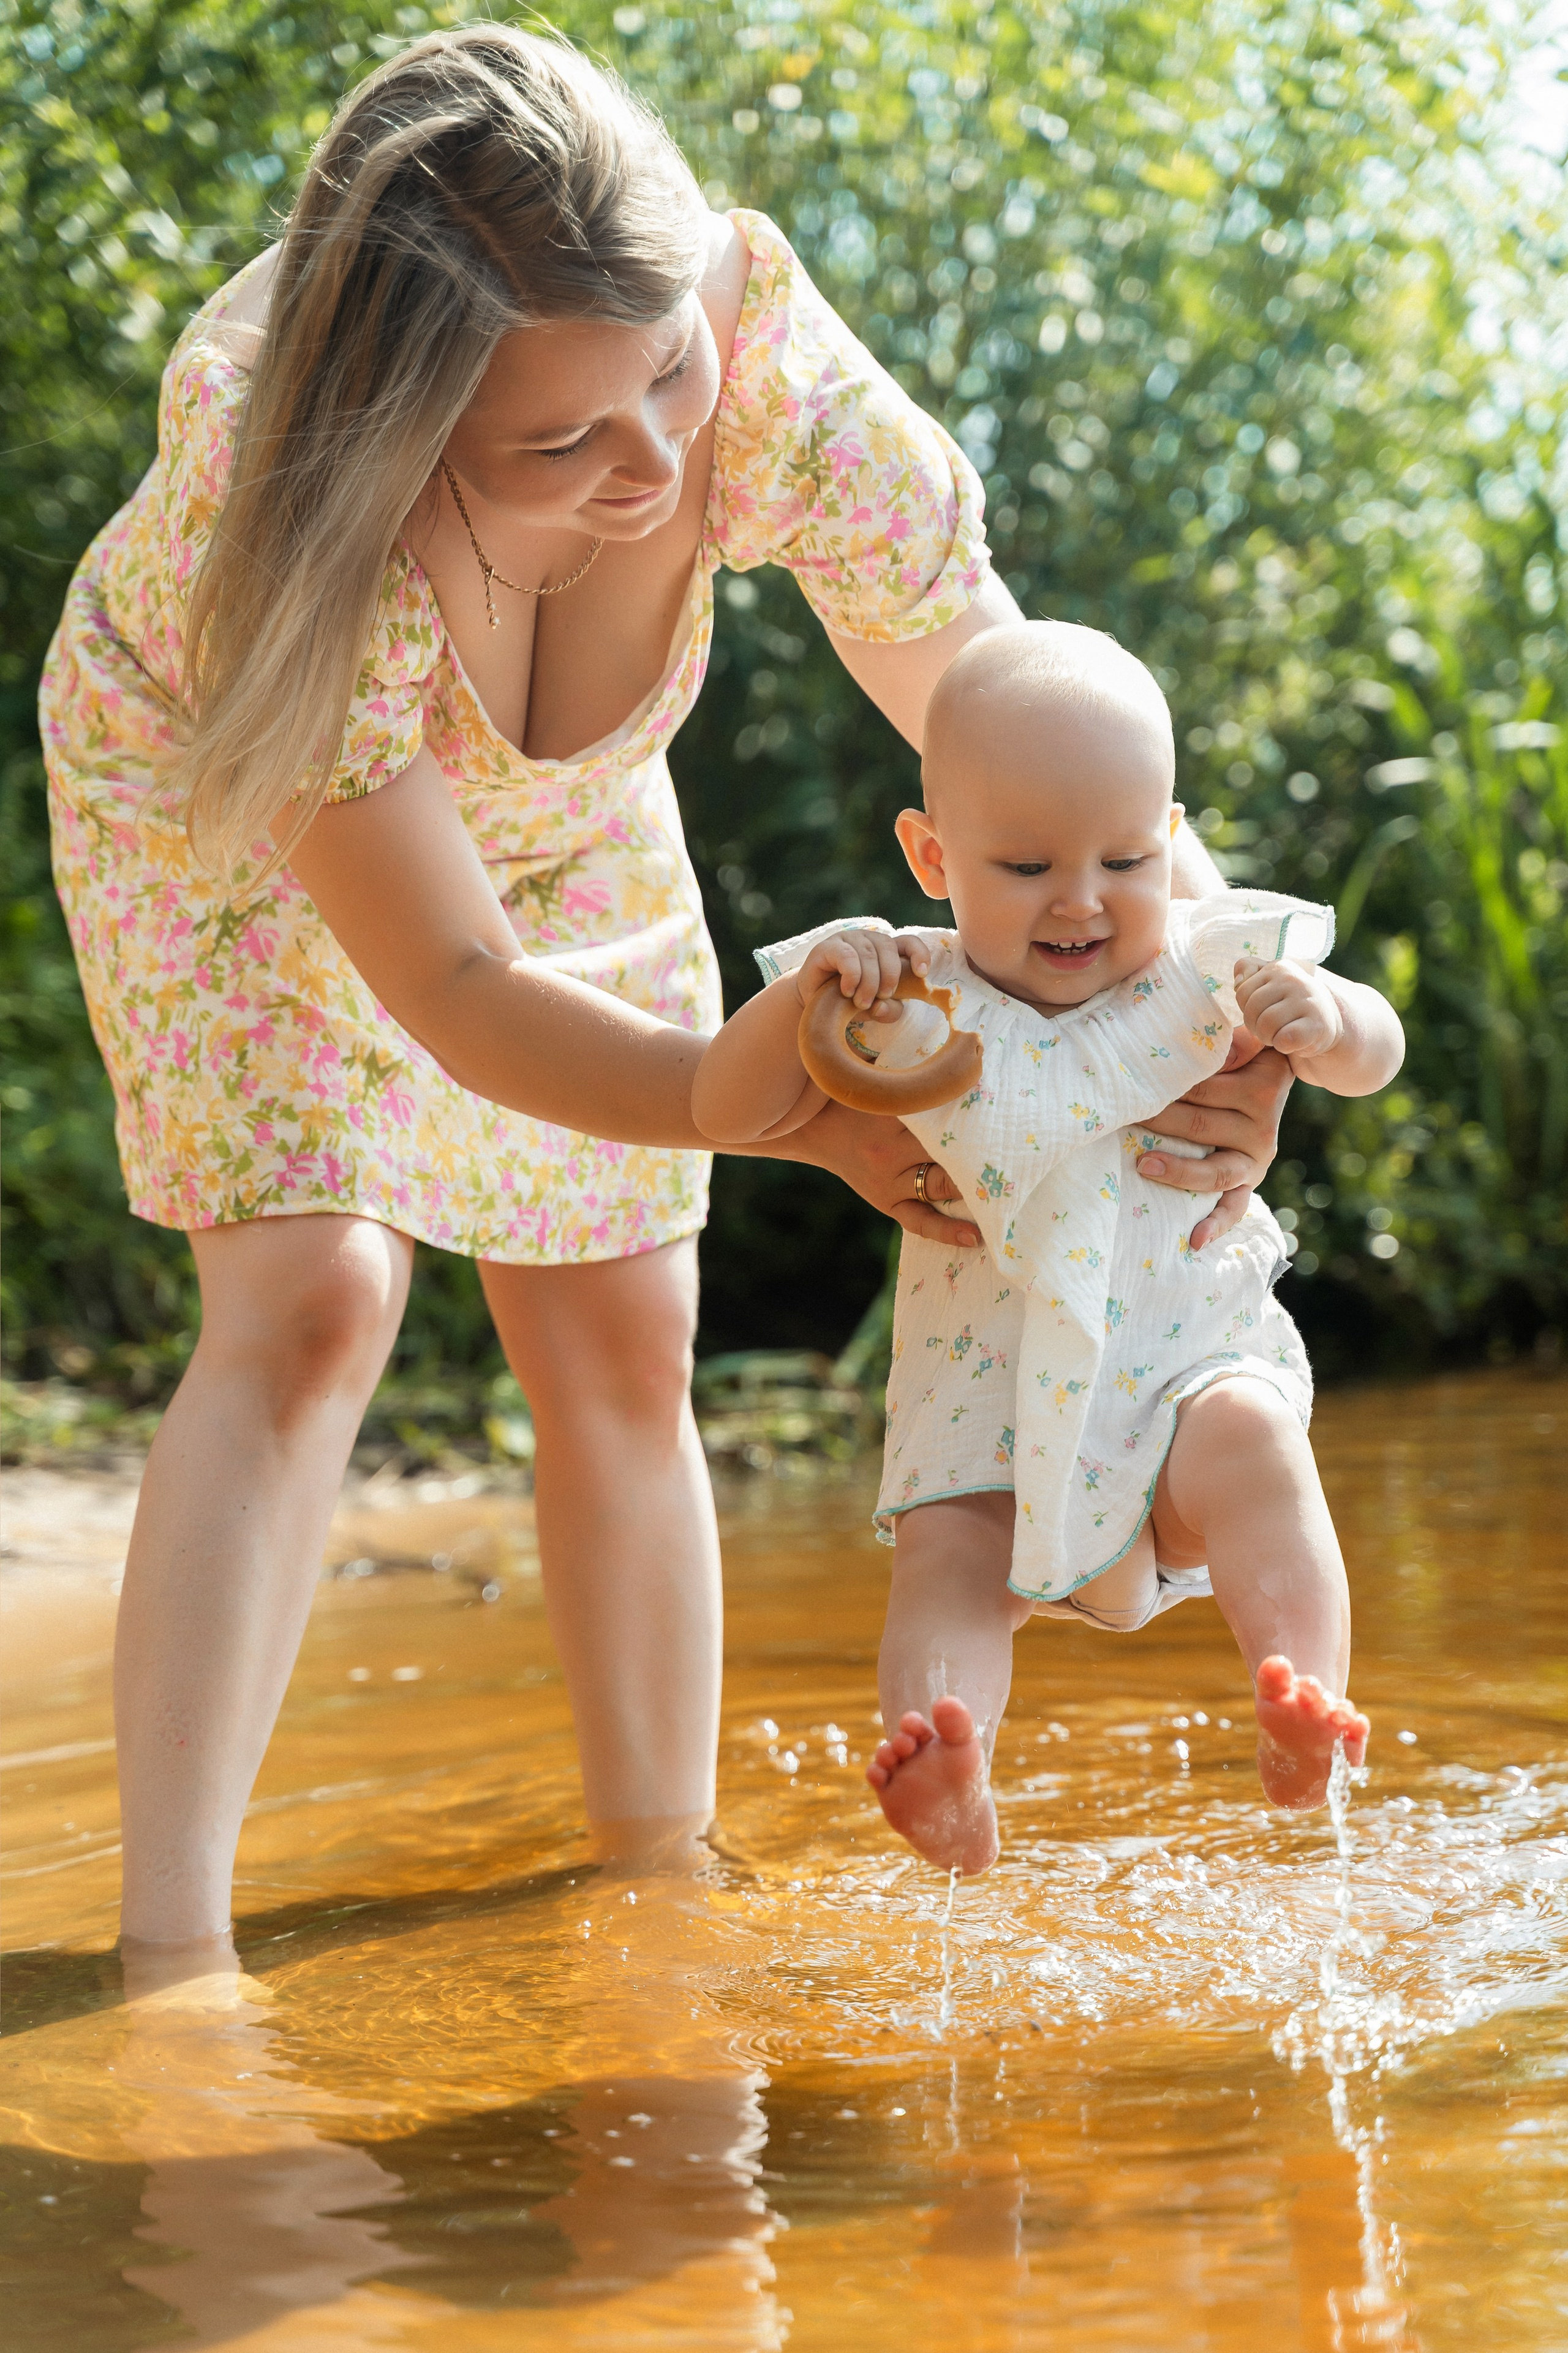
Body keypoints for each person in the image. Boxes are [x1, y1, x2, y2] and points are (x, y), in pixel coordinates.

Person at [40, 26, 1289, 1953]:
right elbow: (454, 984)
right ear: (404, 437)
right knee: (315, 1292)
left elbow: (1024, 714)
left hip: (571, 802)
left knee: (625, 1321)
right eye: (562, 443)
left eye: (669, 384)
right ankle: (171, 1944)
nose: (656, 464)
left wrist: (1223, 1006)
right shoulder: (263, 501)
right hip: (248, 768)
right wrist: (761, 1092)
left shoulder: (758, 357)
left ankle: (656, 1877)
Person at [693, 624, 1403, 1874]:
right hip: (984, 1399)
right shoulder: (901, 996)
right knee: (949, 1558)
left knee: (1251, 1437)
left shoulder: (1207, 964)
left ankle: (1301, 1699)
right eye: (1025, 864)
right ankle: (942, 1755)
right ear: (929, 854)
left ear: (1167, 838)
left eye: (1125, 857)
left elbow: (1375, 1051)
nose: (1081, 897)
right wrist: (806, 991)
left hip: (1175, 1371)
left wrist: (1331, 1018)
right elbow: (721, 1108)